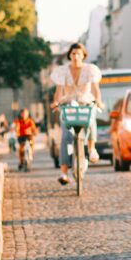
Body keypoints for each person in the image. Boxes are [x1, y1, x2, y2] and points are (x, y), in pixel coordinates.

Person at [50, 43, 102, 185]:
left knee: (91, 120)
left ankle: (91, 149)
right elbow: (59, 91)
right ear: (69, 55)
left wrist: (99, 101)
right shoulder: (62, 71)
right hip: (68, 106)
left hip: (85, 104)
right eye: (73, 53)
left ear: (83, 55)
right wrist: (56, 102)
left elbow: (96, 90)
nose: (76, 56)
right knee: (66, 136)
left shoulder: (90, 70)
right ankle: (64, 172)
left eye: (79, 53)